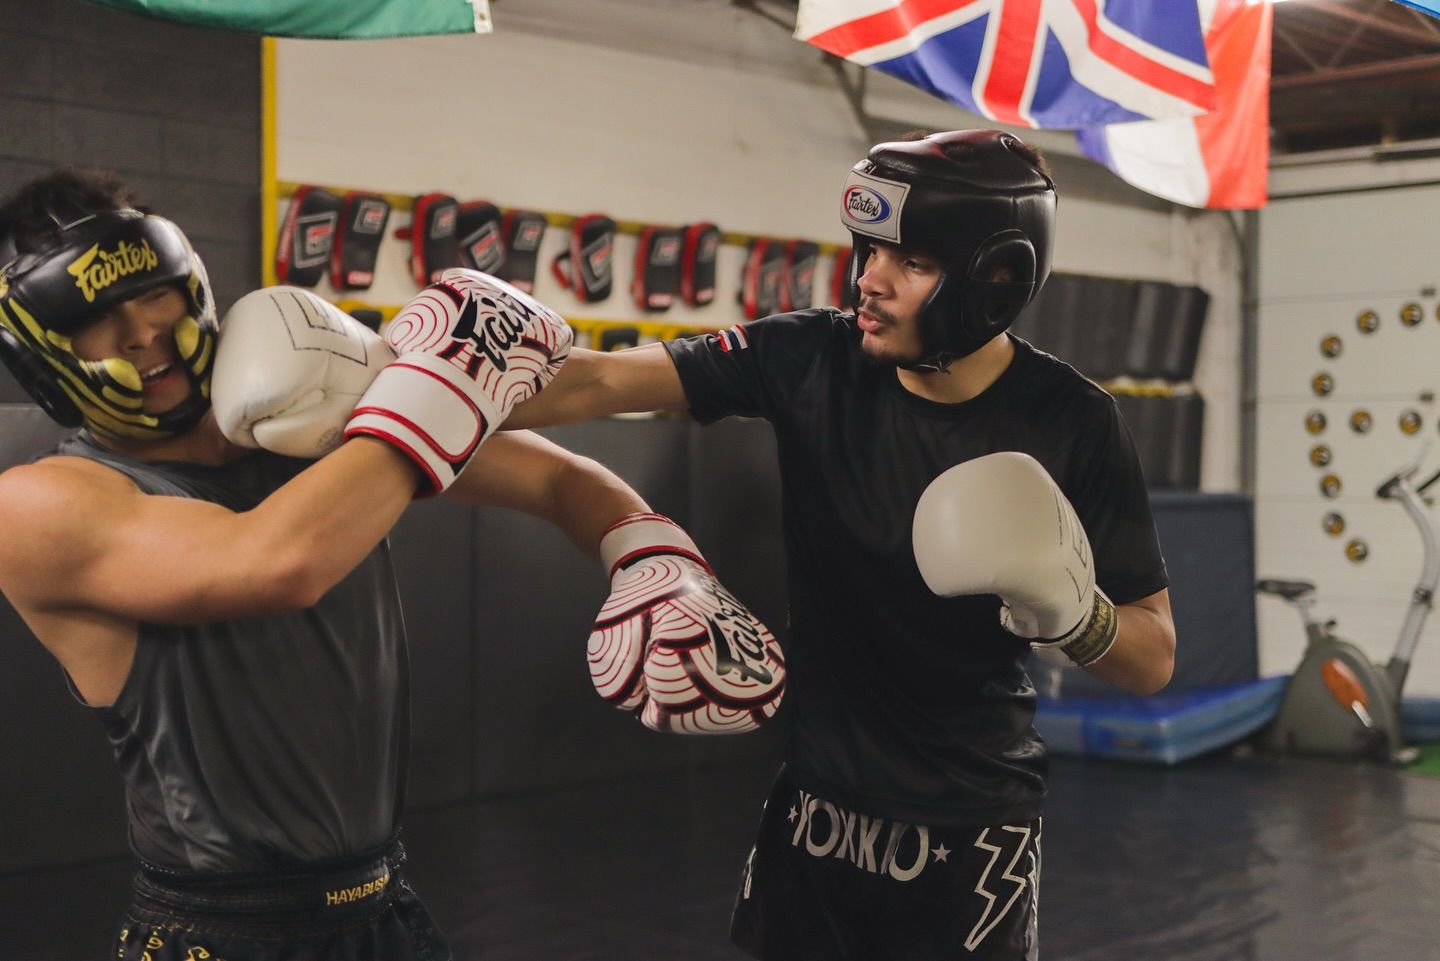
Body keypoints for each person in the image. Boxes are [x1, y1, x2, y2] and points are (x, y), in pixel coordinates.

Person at [0, 169, 781, 960]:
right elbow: (277, 561)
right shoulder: (39, 505)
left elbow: (558, 465)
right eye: (93, 317)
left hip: (384, 908)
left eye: (152, 294)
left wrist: (650, 548)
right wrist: (435, 381)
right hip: (224, 932)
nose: (140, 332)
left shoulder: (299, 416)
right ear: (41, 350)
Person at [505, 129, 1176, 960]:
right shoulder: (810, 357)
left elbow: (1152, 658)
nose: (871, 281)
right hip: (812, 810)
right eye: (870, 251)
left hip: (968, 829)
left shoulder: (1072, 420)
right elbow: (599, 378)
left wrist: (1074, 611)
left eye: (914, 263)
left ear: (991, 279)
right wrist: (389, 381)